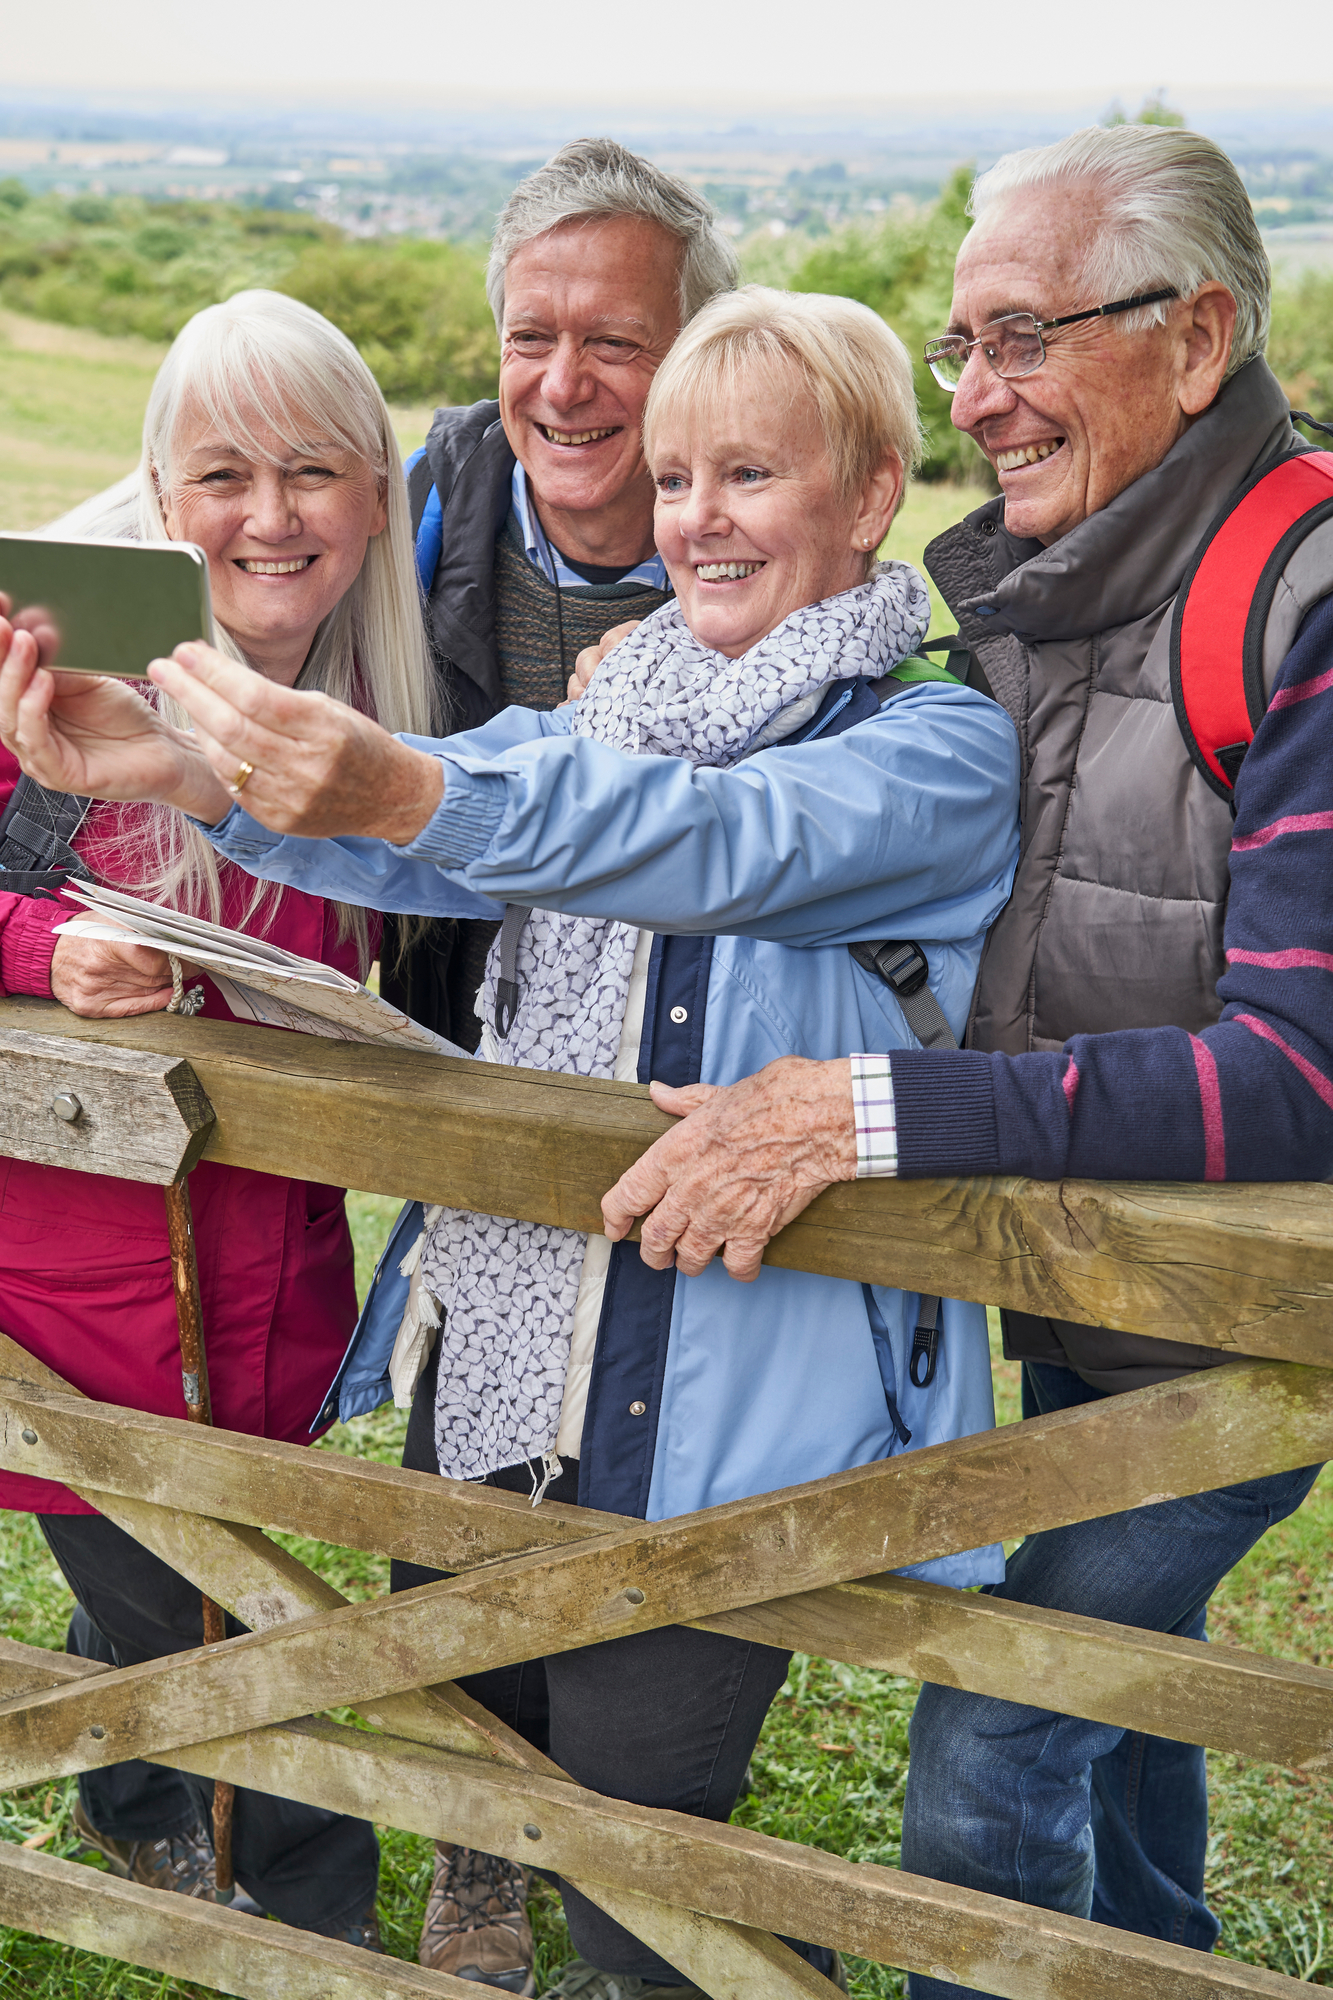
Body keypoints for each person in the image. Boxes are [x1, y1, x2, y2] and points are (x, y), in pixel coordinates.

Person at [2, 286, 1022, 2000]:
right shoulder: (614, 709)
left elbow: (711, 844)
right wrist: (186, 773)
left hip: (719, 1412)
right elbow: (441, 818)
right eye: (675, 477)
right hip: (513, 1349)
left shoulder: (929, 747)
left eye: (751, 474)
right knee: (496, 1739)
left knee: (643, 1855)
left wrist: (408, 792)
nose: (696, 517)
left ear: (868, 495)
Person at [565, 128, 1326, 1992]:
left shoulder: (1300, 600)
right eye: (961, 346)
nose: (980, 395)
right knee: (1123, 1705)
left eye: (1025, 338)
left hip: (1253, 1322)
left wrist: (875, 1110)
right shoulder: (1056, 585)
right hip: (1092, 1283)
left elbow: (1303, 1073)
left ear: (1195, 336)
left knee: (996, 1737)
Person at [0, 287, 466, 1950]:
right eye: (222, 475)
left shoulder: (386, 696)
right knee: (222, 1611)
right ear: (159, 487)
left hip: (273, 1272)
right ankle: (308, 1925)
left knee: (203, 1578)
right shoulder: (52, 657)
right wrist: (51, 948)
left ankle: (138, 1812)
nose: (270, 516)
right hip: (84, 1290)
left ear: (375, 497)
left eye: (312, 470)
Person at [386, 135, 738, 1051]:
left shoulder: (776, 561)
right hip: (443, 1070)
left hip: (671, 1081)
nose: (562, 385)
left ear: (701, 358)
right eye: (530, 339)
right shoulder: (408, 518)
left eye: (613, 343)